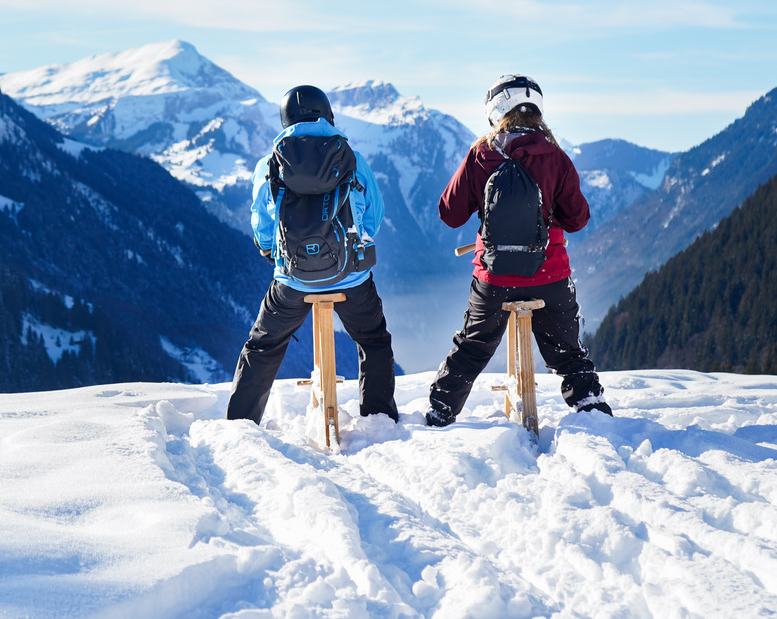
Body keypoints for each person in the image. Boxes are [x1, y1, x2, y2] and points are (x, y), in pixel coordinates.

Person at [428, 74, 612, 426]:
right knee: (569, 354)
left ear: (495, 110)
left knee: (472, 347)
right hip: (549, 275)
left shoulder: (481, 154)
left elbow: (449, 214)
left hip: (494, 279)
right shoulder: (555, 157)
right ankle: (592, 411)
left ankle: (440, 413)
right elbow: (577, 220)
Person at [226, 85, 399, 424]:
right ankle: (379, 419)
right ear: (327, 113)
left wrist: (271, 252)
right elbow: (374, 218)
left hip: (292, 280)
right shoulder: (350, 156)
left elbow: (261, 221)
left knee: (262, 346)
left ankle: (242, 424)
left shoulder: (269, 162)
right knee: (374, 340)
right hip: (351, 277)